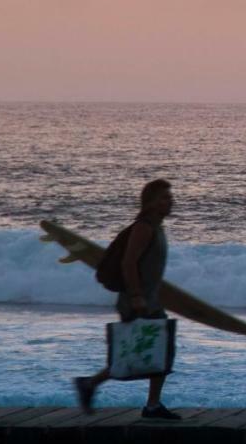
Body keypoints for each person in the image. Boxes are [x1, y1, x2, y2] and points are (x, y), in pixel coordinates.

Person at [74, 178, 180, 420]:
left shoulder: (157, 227)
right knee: (142, 352)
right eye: (164, 197)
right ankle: (94, 385)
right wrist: (136, 296)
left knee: (150, 351)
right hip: (137, 300)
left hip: (148, 299)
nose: (170, 201)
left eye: (170, 196)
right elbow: (128, 262)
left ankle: (94, 386)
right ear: (151, 203)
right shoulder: (144, 228)